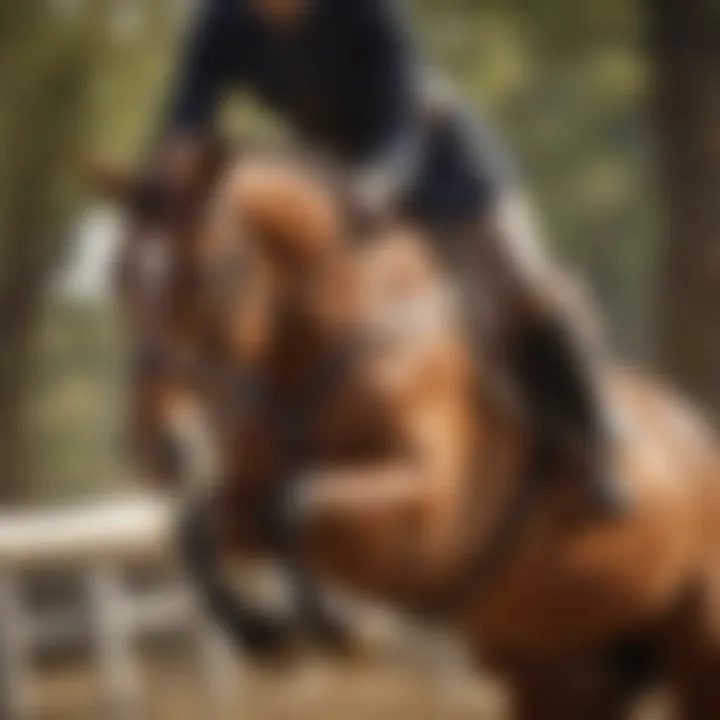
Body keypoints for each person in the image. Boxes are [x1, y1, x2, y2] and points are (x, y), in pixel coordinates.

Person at [155, 0, 623, 516]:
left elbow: (401, 119)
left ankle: (596, 443)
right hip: (333, 170)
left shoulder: (364, 8)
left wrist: (374, 189)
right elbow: (187, 118)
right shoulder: (220, 20)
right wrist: (166, 189)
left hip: (443, 165)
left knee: (523, 283)